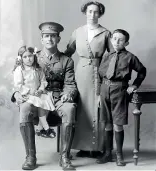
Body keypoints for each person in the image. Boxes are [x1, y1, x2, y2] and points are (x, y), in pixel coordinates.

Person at [11, 22, 78, 170]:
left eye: (53, 36)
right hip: (36, 98)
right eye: (46, 36)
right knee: (25, 108)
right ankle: (30, 157)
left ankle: (65, 157)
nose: (49, 39)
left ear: (58, 39)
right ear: (41, 39)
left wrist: (68, 94)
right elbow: (17, 79)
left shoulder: (66, 60)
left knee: (70, 109)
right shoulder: (31, 57)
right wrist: (16, 93)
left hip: (58, 97)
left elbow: (70, 83)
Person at [64, 1, 113, 158]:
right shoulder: (78, 32)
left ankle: (97, 147)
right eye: (90, 11)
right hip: (81, 73)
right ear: (85, 12)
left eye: (96, 12)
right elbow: (68, 52)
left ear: (100, 14)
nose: (93, 15)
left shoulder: (106, 33)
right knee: (81, 107)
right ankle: (82, 147)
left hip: (99, 72)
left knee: (97, 108)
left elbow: (113, 55)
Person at [97, 29, 146, 166]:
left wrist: (135, 85)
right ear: (111, 40)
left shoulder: (130, 57)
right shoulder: (107, 55)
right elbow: (100, 75)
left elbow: (142, 71)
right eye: (114, 38)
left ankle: (119, 155)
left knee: (117, 123)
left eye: (121, 40)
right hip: (104, 90)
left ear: (127, 42)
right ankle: (108, 153)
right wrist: (99, 93)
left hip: (120, 90)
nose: (117, 42)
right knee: (106, 122)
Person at [13, 46, 56, 139]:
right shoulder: (19, 70)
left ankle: (41, 128)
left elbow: (43, 81)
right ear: (21, 58)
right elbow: (18, 85)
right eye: (25, 57)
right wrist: (29, 91)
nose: (28, 59)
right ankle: (46, 128)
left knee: (47, 99)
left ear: (34, 56)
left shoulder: (38, 69)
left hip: (38, 93)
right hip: (27, 95)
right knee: (40, 103)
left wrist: (40, 89)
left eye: (30, 56)